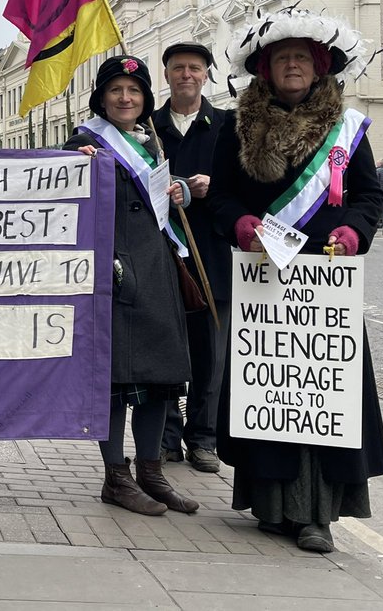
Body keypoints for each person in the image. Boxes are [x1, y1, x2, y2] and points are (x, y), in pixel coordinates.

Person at [209, 6, 383, 554]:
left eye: (302, 59)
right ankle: (271, 506)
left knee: (323, 394)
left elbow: (368, 196)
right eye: (282, 57)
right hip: (264, 274)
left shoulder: (347, 131)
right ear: (265, 69)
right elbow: (220, 195)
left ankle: (318, 516)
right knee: (272, 391)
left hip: (326, 280)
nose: (293, 66)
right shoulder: (235, 125)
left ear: (319, 68)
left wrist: (354, 235)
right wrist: (241, 225)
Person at [65, 55, 198, 517]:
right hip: (116, 275)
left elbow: (157, 195)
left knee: (159, 381)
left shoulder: (151, 143)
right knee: (118, 384)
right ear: (101, 97)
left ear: (145, 99)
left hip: (158, 270)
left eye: (135, 91)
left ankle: (152, 473)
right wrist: (71, 167)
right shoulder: (83, 142)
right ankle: (115, 477)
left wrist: (177, 186)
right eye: (117, 90)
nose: (126, 98)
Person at [150, 42, 229, 475]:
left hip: (211, 255)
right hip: (161, 256)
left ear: (205, 75)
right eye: (177, 67)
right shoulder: (148, 127)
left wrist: (212, 186)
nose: (186, 74)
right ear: (166, 75)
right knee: (166, 352)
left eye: (194, 68)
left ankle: (203, 439)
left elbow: (247, 184)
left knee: (209, 356)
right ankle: (166, 439)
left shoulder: (227, 125)